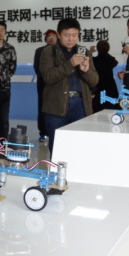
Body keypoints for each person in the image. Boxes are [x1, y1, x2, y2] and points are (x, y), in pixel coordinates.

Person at [40, 18, 98, 156]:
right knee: (57, 148)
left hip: (81, 106)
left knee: (80, 148)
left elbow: (94, 81)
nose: (71, 39)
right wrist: (70, 64)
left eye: (74, 35)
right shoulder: (49, 52)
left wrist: (86, 71)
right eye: (67, 35)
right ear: (59, 35)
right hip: (56, 107)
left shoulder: (85, 52)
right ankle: (56, 170)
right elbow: (48, 77)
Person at [0, 21, 17, 139]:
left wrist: (1, 78)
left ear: (5, 32)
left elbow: (12, 68)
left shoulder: (10, 48)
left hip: (5, 88)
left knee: (4, 118)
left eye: (2, 30)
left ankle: (3, 142)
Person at [33, 30, 57, 142]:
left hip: (57, 84)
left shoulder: (60, 51)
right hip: (43, 83)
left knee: (56, 107)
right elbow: (36, 67)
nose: (51, 38)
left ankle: (54, 131)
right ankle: (43, 132)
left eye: (54, 36)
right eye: (49, 36)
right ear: (45, 38)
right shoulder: (39, 51)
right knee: (42, 107)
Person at [91, 40, 119, 113]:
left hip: (98, 85)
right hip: (110, 85)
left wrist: (90, 52)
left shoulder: (94, 60)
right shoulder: (111, 60)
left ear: (97, 48)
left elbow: (88, 60)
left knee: (97, 108)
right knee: (110, 107)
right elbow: (115, 62)